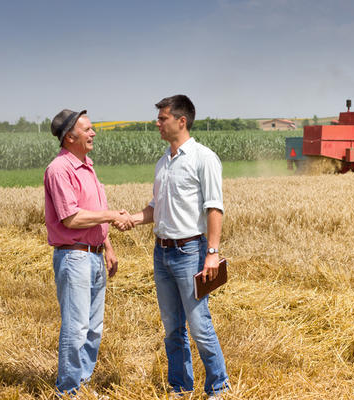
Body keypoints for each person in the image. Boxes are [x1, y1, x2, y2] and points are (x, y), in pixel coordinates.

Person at [128, 95, 230, 397]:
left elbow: (214, 208)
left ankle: (219, 386)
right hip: (161, 253)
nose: (157, 123)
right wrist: (133, 219)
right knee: (172, 328)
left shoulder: (203, 158)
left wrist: (212, 253)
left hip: (191, 253)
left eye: (163, 118)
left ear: (181, 121)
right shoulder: (163, 162)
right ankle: (180, 387)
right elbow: (155, 207)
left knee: (199, 326)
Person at [44, 109, 134, 395]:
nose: (93, 133)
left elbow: (92, 211)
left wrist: (107, 246)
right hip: (75, 257)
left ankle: (81, 382)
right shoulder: (60, 169)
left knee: (93, 328)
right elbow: (71, 218)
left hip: (93, 255)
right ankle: (68, 389)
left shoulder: (87, 165)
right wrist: (111, 215)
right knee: (77, 328)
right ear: (70, 136)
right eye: (88, 129)